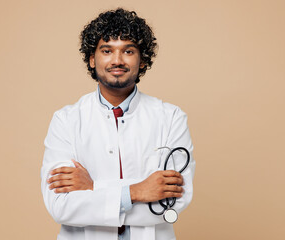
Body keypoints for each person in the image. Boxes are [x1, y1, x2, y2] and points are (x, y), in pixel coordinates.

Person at [41, 8, 196, 240]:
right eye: (107, 50)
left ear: (142, 60)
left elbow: (171, 206)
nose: (117, 60)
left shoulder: (171, 118)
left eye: (128, 51)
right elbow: (61, 207)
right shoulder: (66, 121)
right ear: (92, 59)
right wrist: (138, 191)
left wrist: (92, 189)